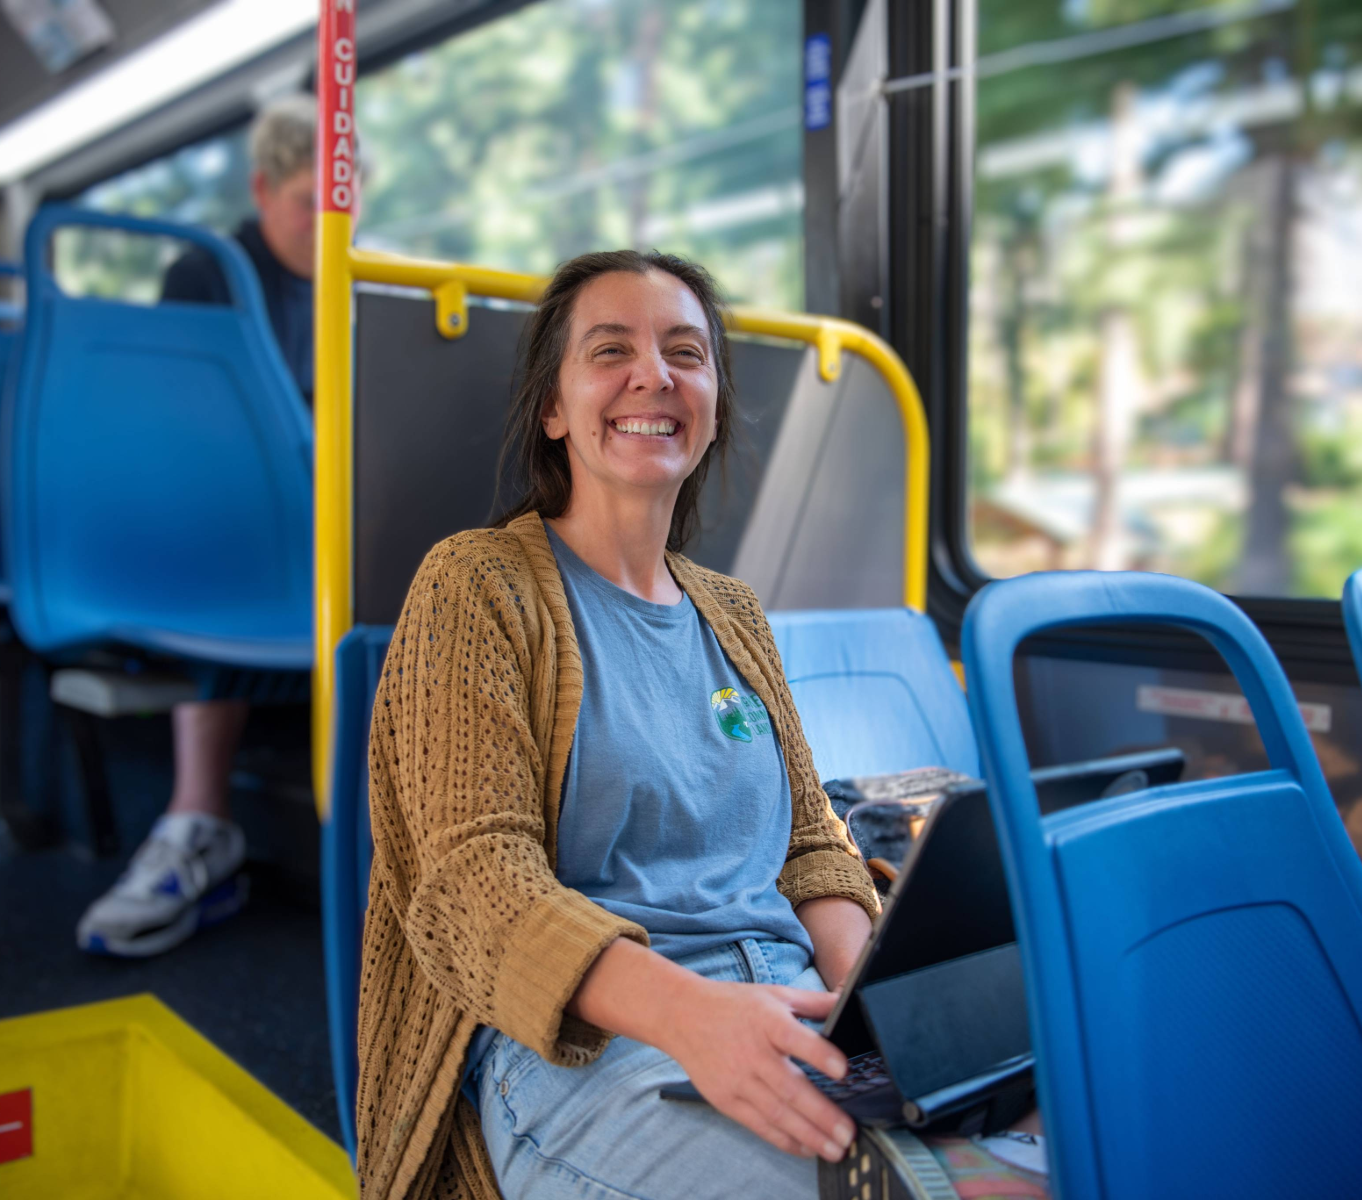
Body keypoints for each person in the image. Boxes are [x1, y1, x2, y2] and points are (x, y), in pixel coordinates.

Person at [355, 249, 883, 1200]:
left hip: (792, 1006)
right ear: (554, 411)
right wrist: (694, 1017)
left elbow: (813, 845)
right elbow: (472, 885)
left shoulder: (736, 613)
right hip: (584, 1047)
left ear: (713, 400)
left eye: (687, 351)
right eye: (611, 350)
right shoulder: (475, 586)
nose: (656, 374)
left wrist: (870, 1004)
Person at [74, 94, 318, 958]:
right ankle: (198, 815)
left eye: (340, 204)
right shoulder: (209, 274)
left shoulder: (350, 289)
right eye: (306, 205)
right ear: (260, 190)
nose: (326, 229)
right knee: (234, 534)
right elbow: (189, 432)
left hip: (311, 512)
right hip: (218, 513)